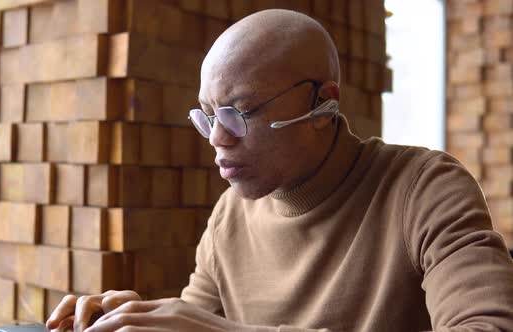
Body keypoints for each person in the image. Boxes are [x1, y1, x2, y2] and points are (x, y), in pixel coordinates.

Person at [45, 9, 513, 332]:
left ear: (322, 106)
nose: (216, 138)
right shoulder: (230, 216)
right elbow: (198, 321)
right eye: (208, 115)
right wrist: (131, 318)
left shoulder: (425, 188)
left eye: (239, 113)